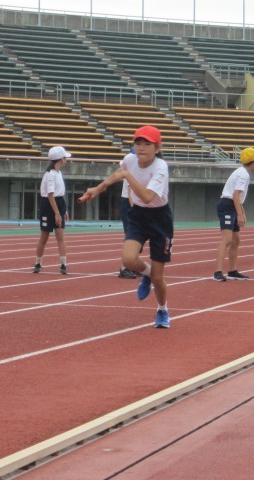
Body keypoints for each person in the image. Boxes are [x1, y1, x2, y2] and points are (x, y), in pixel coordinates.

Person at [79, 125, 173, 329]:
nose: (141, 148)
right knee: (128, 259)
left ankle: (162, 309)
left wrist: (128, 176)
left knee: (159, 278)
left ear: (157, 148)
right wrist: (98, 188)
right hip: (138, 215)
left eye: (147, 144)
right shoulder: (130, 160)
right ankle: (146, 273)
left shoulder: (160, 167)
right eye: (138, 143)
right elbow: (118, 172)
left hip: (160, 218)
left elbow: (147, 197)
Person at [214, 147, 254, 282]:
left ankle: (232, 271)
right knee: (227, 239)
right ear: (253, 161)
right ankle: (218, 271)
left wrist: (242, 212)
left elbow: (238, 197)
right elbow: (235, 195)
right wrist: (239, 214)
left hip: (232, 205)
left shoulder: (242, 172)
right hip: (227, 205)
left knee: (236, 240)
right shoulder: (243, 175)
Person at [32, 146, 71, 274]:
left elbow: (59, 194)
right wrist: (57, 213)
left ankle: (63, 265)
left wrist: (63, 210)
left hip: (58, 203)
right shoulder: (50, 175)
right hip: (48, 205)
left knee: (60, 237)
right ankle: (38, 263)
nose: (66, 159)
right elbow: (50, 195)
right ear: (60, 159)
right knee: (44, 237)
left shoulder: (59, 173)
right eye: (65, 157)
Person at [117, 179, 139, 279]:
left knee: (137, 236)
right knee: (130, 236)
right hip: (129, 203)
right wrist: (135, 209)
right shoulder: (133, 170)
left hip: (134, 202)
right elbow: (131, 189)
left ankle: (132, 265)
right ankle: (124, 268)